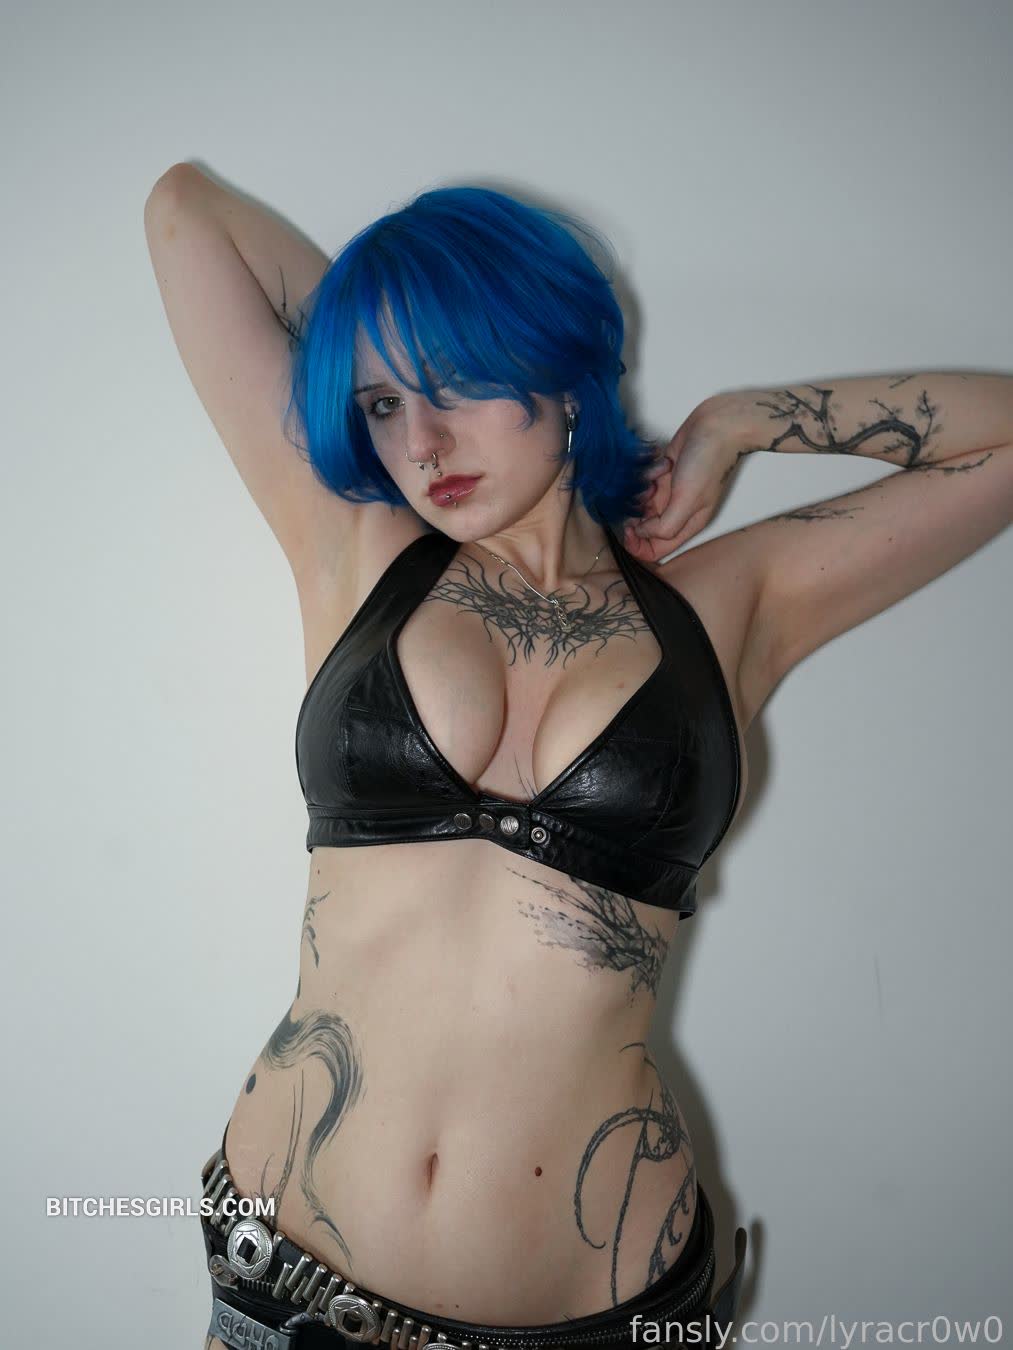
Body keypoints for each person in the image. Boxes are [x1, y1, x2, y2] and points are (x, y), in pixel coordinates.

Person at [143, 168, 1011, 1350]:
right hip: (288, 1288)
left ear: (561, 370)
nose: (419, 442)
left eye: (457, 378)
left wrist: (741, 421)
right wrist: (383, 315)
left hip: (600, 1317)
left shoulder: (722, 608)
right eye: (382, 401)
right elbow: (185, 212)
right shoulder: (357, 551)